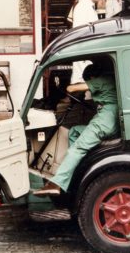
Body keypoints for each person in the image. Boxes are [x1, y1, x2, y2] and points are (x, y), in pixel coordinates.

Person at [33, 62, 119, 196]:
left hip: (104, 121)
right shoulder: (108, 80)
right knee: (74, 131)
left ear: (91, 76)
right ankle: (77, 169)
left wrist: (66, 85)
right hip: (109, 119)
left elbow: (72, 89)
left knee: (76, 148)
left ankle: (57, 183)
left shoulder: (100, 80)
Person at [70, 0, 101, 85]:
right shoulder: (84, 7)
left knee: (82, 76)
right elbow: (83, 29)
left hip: (84, 46)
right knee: (81, 77)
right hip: (83, 46)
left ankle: (79, 99)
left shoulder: (86, 6)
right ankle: (77, 99)